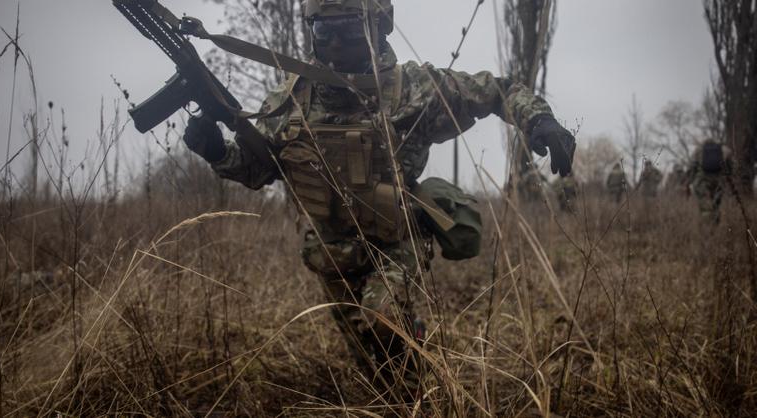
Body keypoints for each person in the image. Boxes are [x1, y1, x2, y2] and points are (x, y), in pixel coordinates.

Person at [181, 0, 575, 398]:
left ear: (378, 27)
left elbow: (496, 90)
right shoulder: (289, 101)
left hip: (397, 239)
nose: (335, 43)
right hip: (333, 253)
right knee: (379, 367)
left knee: (381, 316)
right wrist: (217, 152)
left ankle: (423, 380)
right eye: (324, 31)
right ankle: (411, 375)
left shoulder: (413, 89)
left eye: (349, 29)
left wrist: (538, 119)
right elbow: (259, 170)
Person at [688, 139, 732, 223]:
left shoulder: (698, 150)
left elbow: (692, 167)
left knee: (706, 207)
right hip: (719, 182)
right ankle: (715, 225)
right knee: (716, 205)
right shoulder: (725, 150)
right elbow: (731, 166)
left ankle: (708, 229)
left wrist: (690, 181)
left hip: (702, 181)